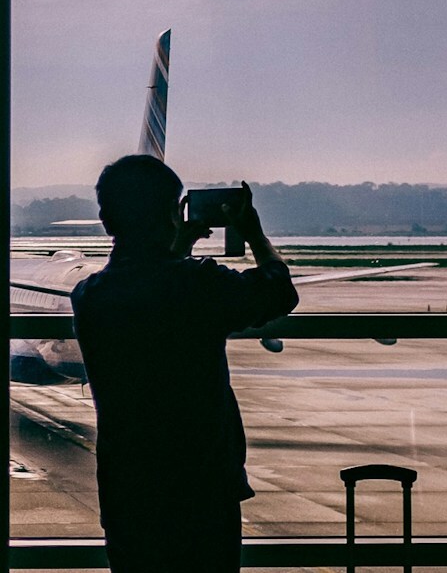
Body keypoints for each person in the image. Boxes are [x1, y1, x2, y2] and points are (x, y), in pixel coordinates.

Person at [70, 154, 299, 573]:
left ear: (106, 220)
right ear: (172, 214)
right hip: (201, 485)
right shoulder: (198, 286)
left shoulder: (89, 297)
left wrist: (176, 246)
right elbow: (279, 291)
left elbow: (149, 286)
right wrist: (254, 234)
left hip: (128, 488)